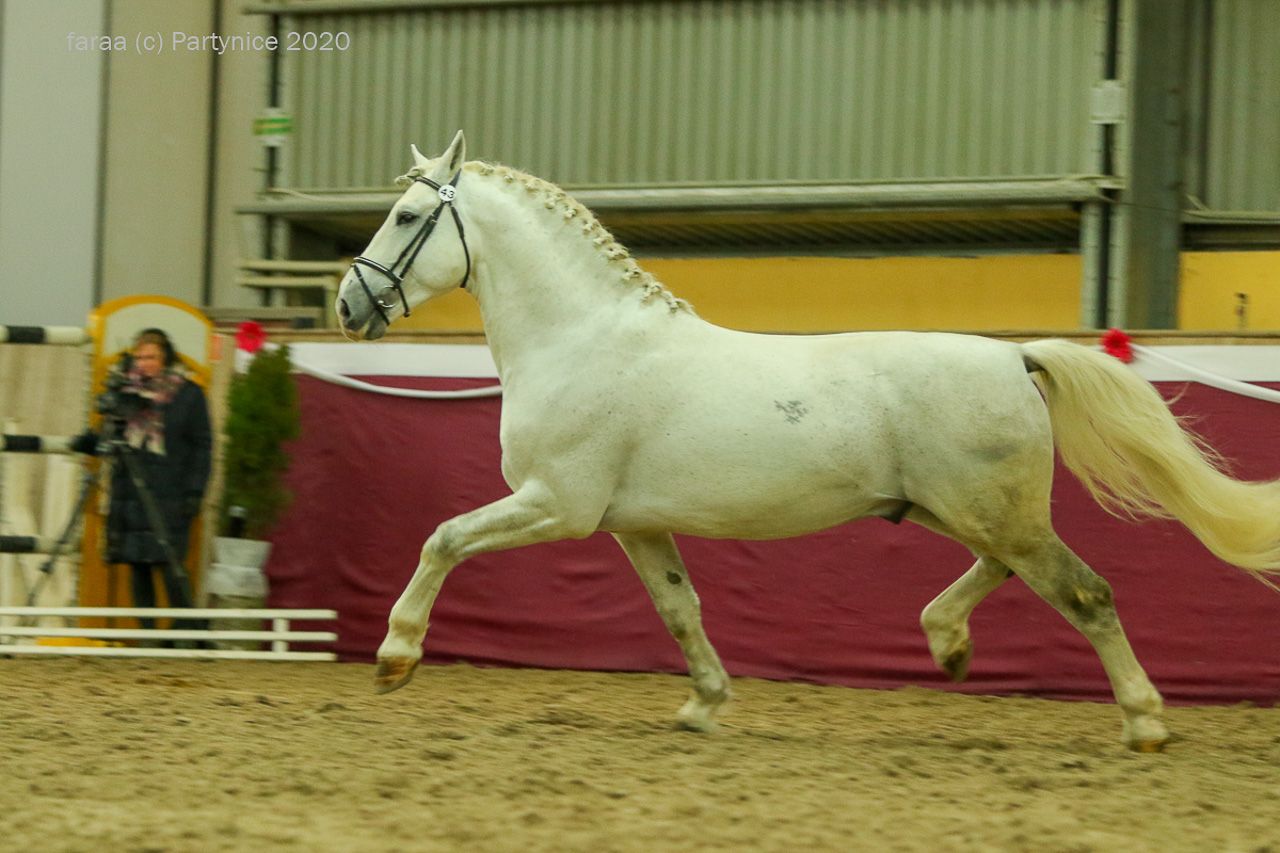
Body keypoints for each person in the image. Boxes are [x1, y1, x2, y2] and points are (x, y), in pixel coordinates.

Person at [75, 328, 212, 628]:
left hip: (171, 493)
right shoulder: (127, 394)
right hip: (131, 492)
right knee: (138, 567)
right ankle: (148, 633)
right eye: (139, 357)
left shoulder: (188, 395)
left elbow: (202, 447)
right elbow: (109, 435)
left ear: (165, 359)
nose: (144, 363)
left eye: (151, 357)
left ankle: (185, 632)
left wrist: (195, 491)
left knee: (171, 565)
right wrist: (88, 442)